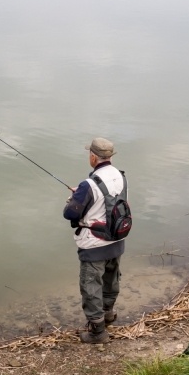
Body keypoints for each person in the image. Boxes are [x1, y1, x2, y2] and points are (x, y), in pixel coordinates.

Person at [63, 137, 127, 344]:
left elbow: (70, 214)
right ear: (110, 156)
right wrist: (82, 194)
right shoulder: (120, 176)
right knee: (111, 280)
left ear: (93, 156)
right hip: (116, 241)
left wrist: (75, 198)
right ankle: (108, 314)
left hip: (94, 245)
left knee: (91, 286)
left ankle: (97, 332)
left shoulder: (89, 184)